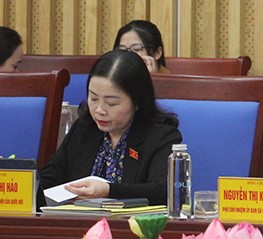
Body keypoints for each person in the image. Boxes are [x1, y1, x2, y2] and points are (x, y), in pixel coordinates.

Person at [39, 50, 181, 207]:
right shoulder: (84, 128)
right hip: (78, 220)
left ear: (137, 101)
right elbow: (50, 177)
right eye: (93, 98)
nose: (99, 110)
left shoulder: (161, 135)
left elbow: (162, 192)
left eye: (111, 103)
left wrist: (109, 191)